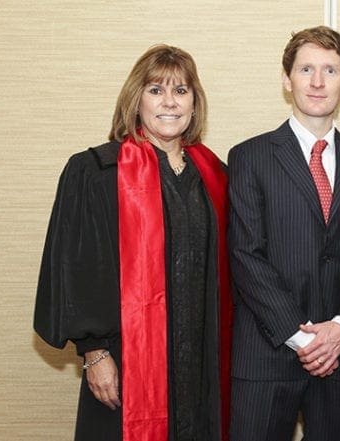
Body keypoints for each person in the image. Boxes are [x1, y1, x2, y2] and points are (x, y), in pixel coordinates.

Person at [34, 44, 232, 441]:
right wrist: (96, 353)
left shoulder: (216, 175)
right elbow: (75, 270)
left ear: (195, 103)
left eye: (181, 91)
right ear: (135, 99)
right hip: (128, 361)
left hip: (201, 362)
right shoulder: (97, 173)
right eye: (156, 90)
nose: (169, 102)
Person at [227, 26, 340, 441]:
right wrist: (302, 339)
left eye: (330, 71)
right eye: (306, 69)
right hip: (266, 356)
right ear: (287, 79)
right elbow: (246, 255)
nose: (318, 82)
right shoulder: (250, 157)